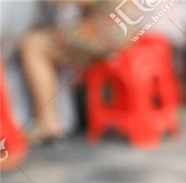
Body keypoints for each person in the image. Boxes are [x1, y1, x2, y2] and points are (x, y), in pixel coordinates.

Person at [18, 0, 128, 144]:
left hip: (108, 33)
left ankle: (48, 123)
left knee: (33, 44)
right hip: (119, 30)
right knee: (47, 37)